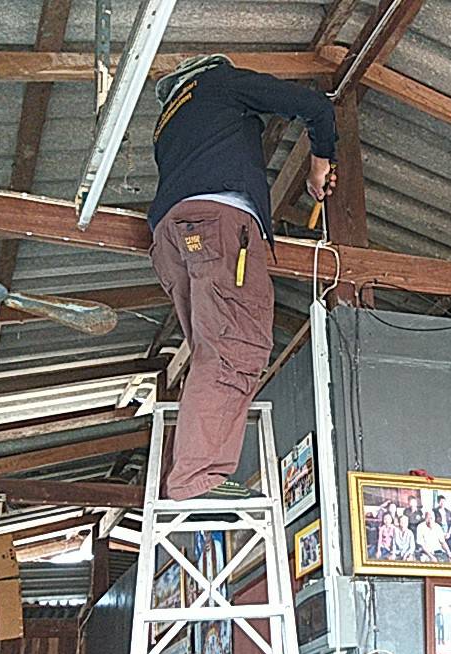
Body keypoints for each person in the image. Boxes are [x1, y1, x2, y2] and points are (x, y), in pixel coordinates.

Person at [148, 54, 338, 501]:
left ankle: (191, 472)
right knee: (235, 348)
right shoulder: (220, 81)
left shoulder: (166, 124)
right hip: (218, 224)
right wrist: (320, 163)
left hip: (170, 239)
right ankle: (197, 478)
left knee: (213, 351)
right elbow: (315, 106)